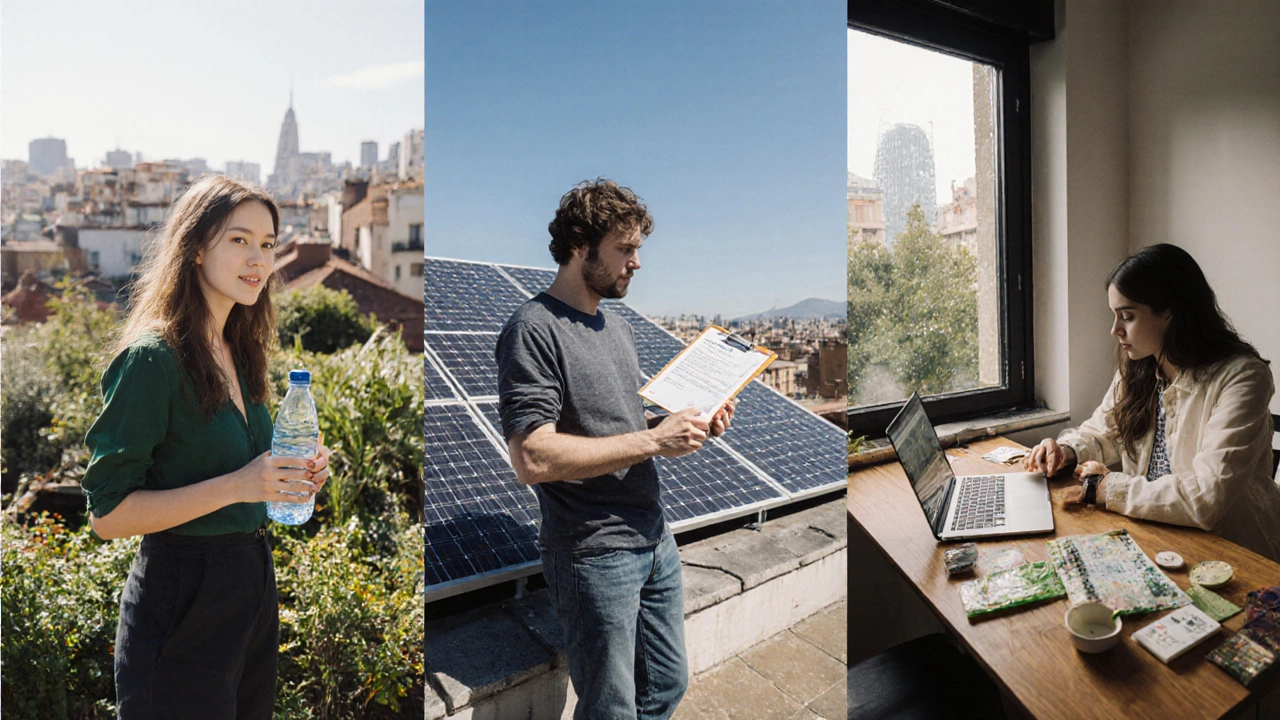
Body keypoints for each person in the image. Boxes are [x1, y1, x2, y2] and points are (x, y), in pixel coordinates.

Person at [81, 175, 333, 718]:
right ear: (195, 249)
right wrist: (240, 484)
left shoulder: (240, 351)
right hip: (182, 601)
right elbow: (107, 516)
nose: (258, 260)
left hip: (251, 587)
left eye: (267, 245)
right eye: (239, 240)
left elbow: (253, 476)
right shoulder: (151, 359)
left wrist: (298, 474)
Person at [495, 178, 734, 720]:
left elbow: (617, 426)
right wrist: (654, 439)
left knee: (667, 688)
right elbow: (532, 456)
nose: (637, 263)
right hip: (593, 554)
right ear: (580, 247)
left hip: (653, 539)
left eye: (638, 249)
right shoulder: (532, 329)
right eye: (625, 249)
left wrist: (681, 424)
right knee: (610, 710)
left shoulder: (617, 327)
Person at [1023, 243, 1280, 562]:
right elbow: (1103, 431)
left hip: (1233, 553)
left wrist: (1107, 487)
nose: (1114, 329)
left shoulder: (1242, 377)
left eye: (1126, 316)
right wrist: (1067, 451)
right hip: (1155, 535)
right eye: (1114, 315)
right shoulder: (1140, 365)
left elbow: (1206, 498)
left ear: (1168, 311)